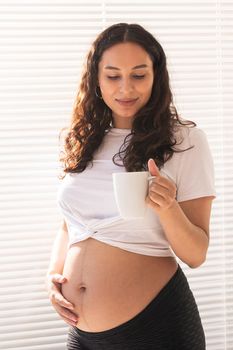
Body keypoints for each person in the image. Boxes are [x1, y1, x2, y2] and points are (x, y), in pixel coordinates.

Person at [46, 23, 216, 350]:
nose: (126, 88)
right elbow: (70, 226)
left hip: (155, 327)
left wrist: (168, 208)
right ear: (95, 79)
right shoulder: (80, 141)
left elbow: (196, 254)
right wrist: (52, 278)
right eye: (113, 76)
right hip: (82, 333)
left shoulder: (185, 141)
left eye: (138, 75)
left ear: (156, 76)